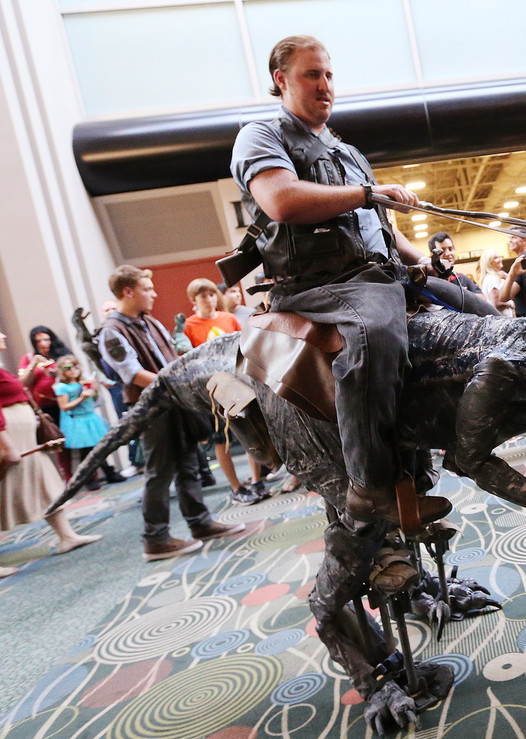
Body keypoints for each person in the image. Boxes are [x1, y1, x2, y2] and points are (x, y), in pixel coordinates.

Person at [231, 35, 494, 524]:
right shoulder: (261, 136)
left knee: (475, 304)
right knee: (375, 333)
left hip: (379, 272)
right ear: (281, 80)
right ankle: (370, 484)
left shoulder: (347, 151)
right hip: (317, 285)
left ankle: (472, 434)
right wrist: (368, 193)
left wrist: (428, 263)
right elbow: (282, 201)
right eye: (312, 75)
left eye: (329, 75)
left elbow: (384, 230)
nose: (325, 85)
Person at [100, 265, 244, 560]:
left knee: (188, 462)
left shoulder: (148, 322)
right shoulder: (112, 331)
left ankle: (200, 523)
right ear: (128, 292)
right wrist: (179, 383)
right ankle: (155, 538)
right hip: (152, 409)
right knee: (159, 471)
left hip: (174, 401)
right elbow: (133, 374)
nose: (153, 294)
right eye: (147, 289)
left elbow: (171, 360)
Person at [0, 328, 103, 569]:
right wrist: (5, 446)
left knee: (44, 482)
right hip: (8, 440)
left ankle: (67, 536)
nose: (4, 335)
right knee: (5, 492)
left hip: (21, 439)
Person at [183, 278, 269, 505]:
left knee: (248, 429)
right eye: (203, 296)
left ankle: (257, 479)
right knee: (222, 440)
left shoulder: (228, 318)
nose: (209, 300)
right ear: (194, 300)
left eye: (212, 295)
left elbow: (242, 348)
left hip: (237, 383)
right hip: (211, 389)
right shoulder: (189, 325)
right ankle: (236, 487)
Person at [52, 356, 124, 490]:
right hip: (78, 421)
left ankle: (109, 472)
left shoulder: (84, 381)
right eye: (68, 368)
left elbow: (95, 400)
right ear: (62, 371)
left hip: (90, 418)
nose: (73, 371)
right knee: (86, 453)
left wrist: (94, 390)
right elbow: (64, 406)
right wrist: (81, 397)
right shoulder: (62, 387)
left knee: (100, 448)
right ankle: (89, 478)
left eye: (75, 367)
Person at [19, 327, 71, 426]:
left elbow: (76, 374)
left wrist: (59, 373)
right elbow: (22, 383)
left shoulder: (63, 355)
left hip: (67, 401)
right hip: (43, 405)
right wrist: (32, 365)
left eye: (46, 340)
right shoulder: (29, 358)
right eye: (38, 341)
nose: (43, 344)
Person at [478, 249, 514, 316]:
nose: (500, 259)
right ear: (489, 262)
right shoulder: (492, 279)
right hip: (503, 321)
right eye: (495, 258)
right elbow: (497, 304)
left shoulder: (491, 277)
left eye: (499, 257)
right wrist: (511, 304)